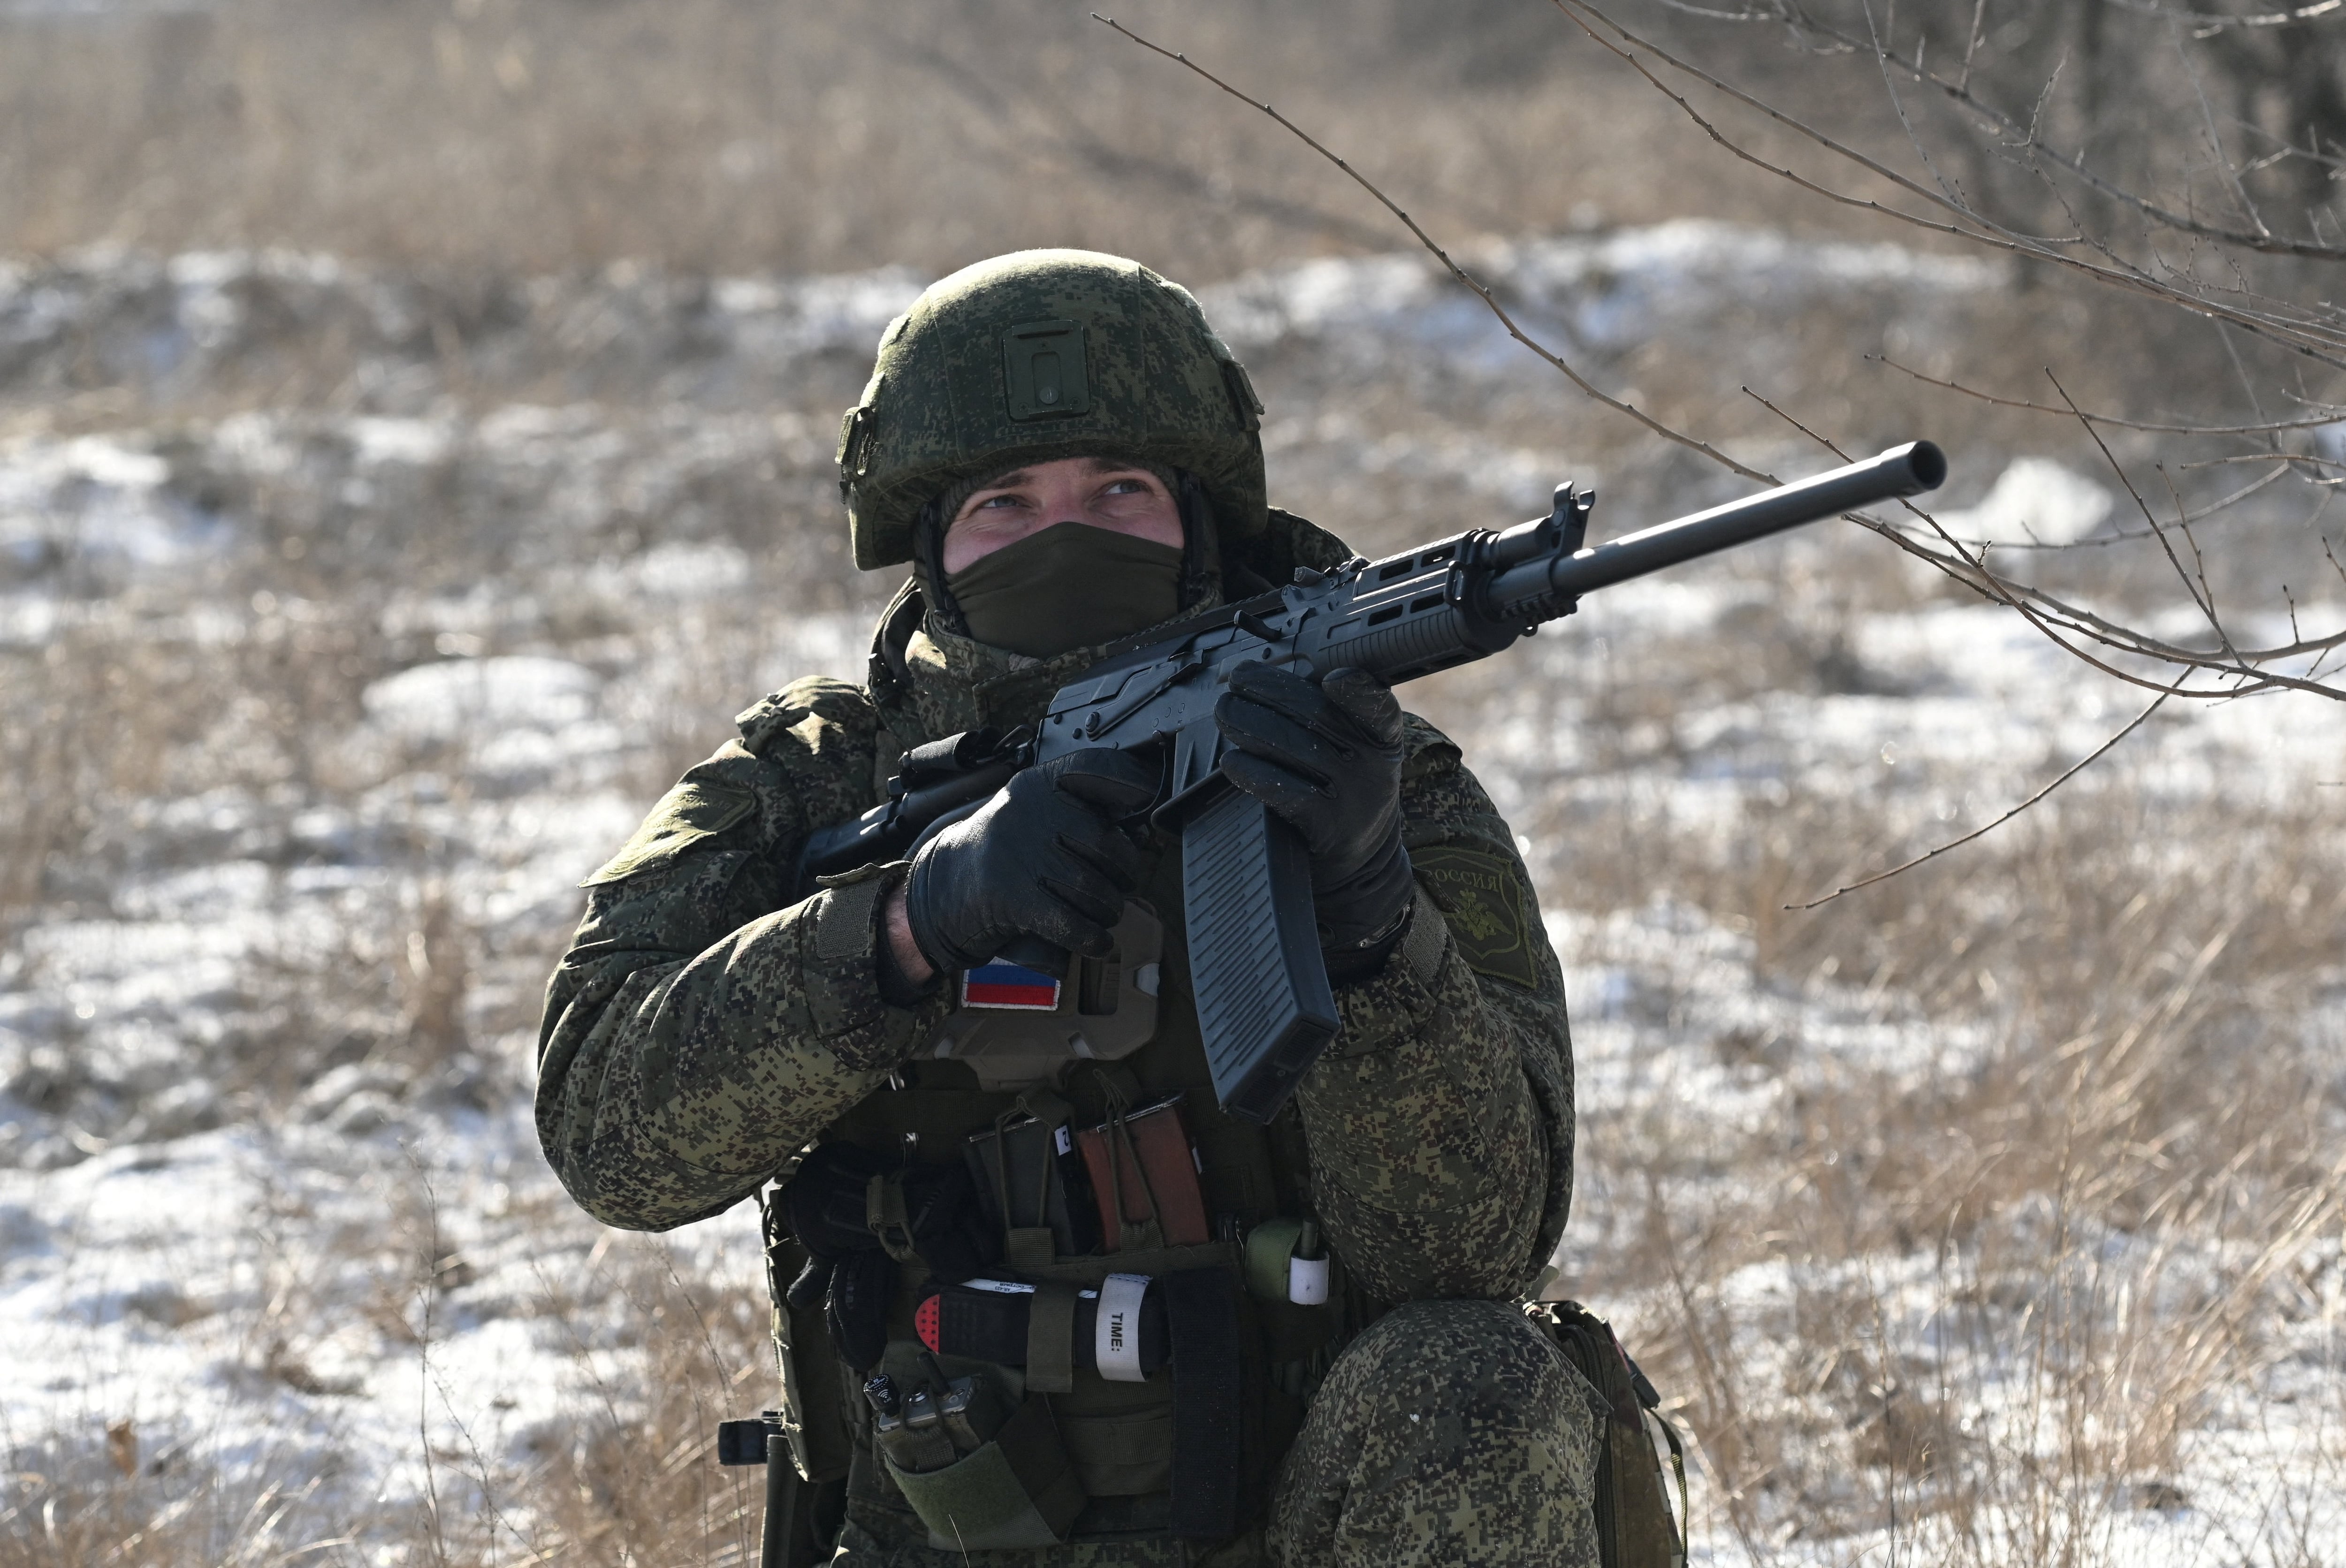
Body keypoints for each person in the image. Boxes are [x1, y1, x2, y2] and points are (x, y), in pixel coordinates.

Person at [536, 249, 1600, 1566]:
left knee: (1478, 1380)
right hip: (944, 1522)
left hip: (1297, 1520)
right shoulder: (813, 780)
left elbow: (1474, 1252)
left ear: (1198, 520)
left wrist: (1370, 910)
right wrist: (910, 926)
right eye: (1004, 504)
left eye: (1119, 491)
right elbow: (605, 1136)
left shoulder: (1369, 779)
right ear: (929, 546)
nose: (1066, 536)